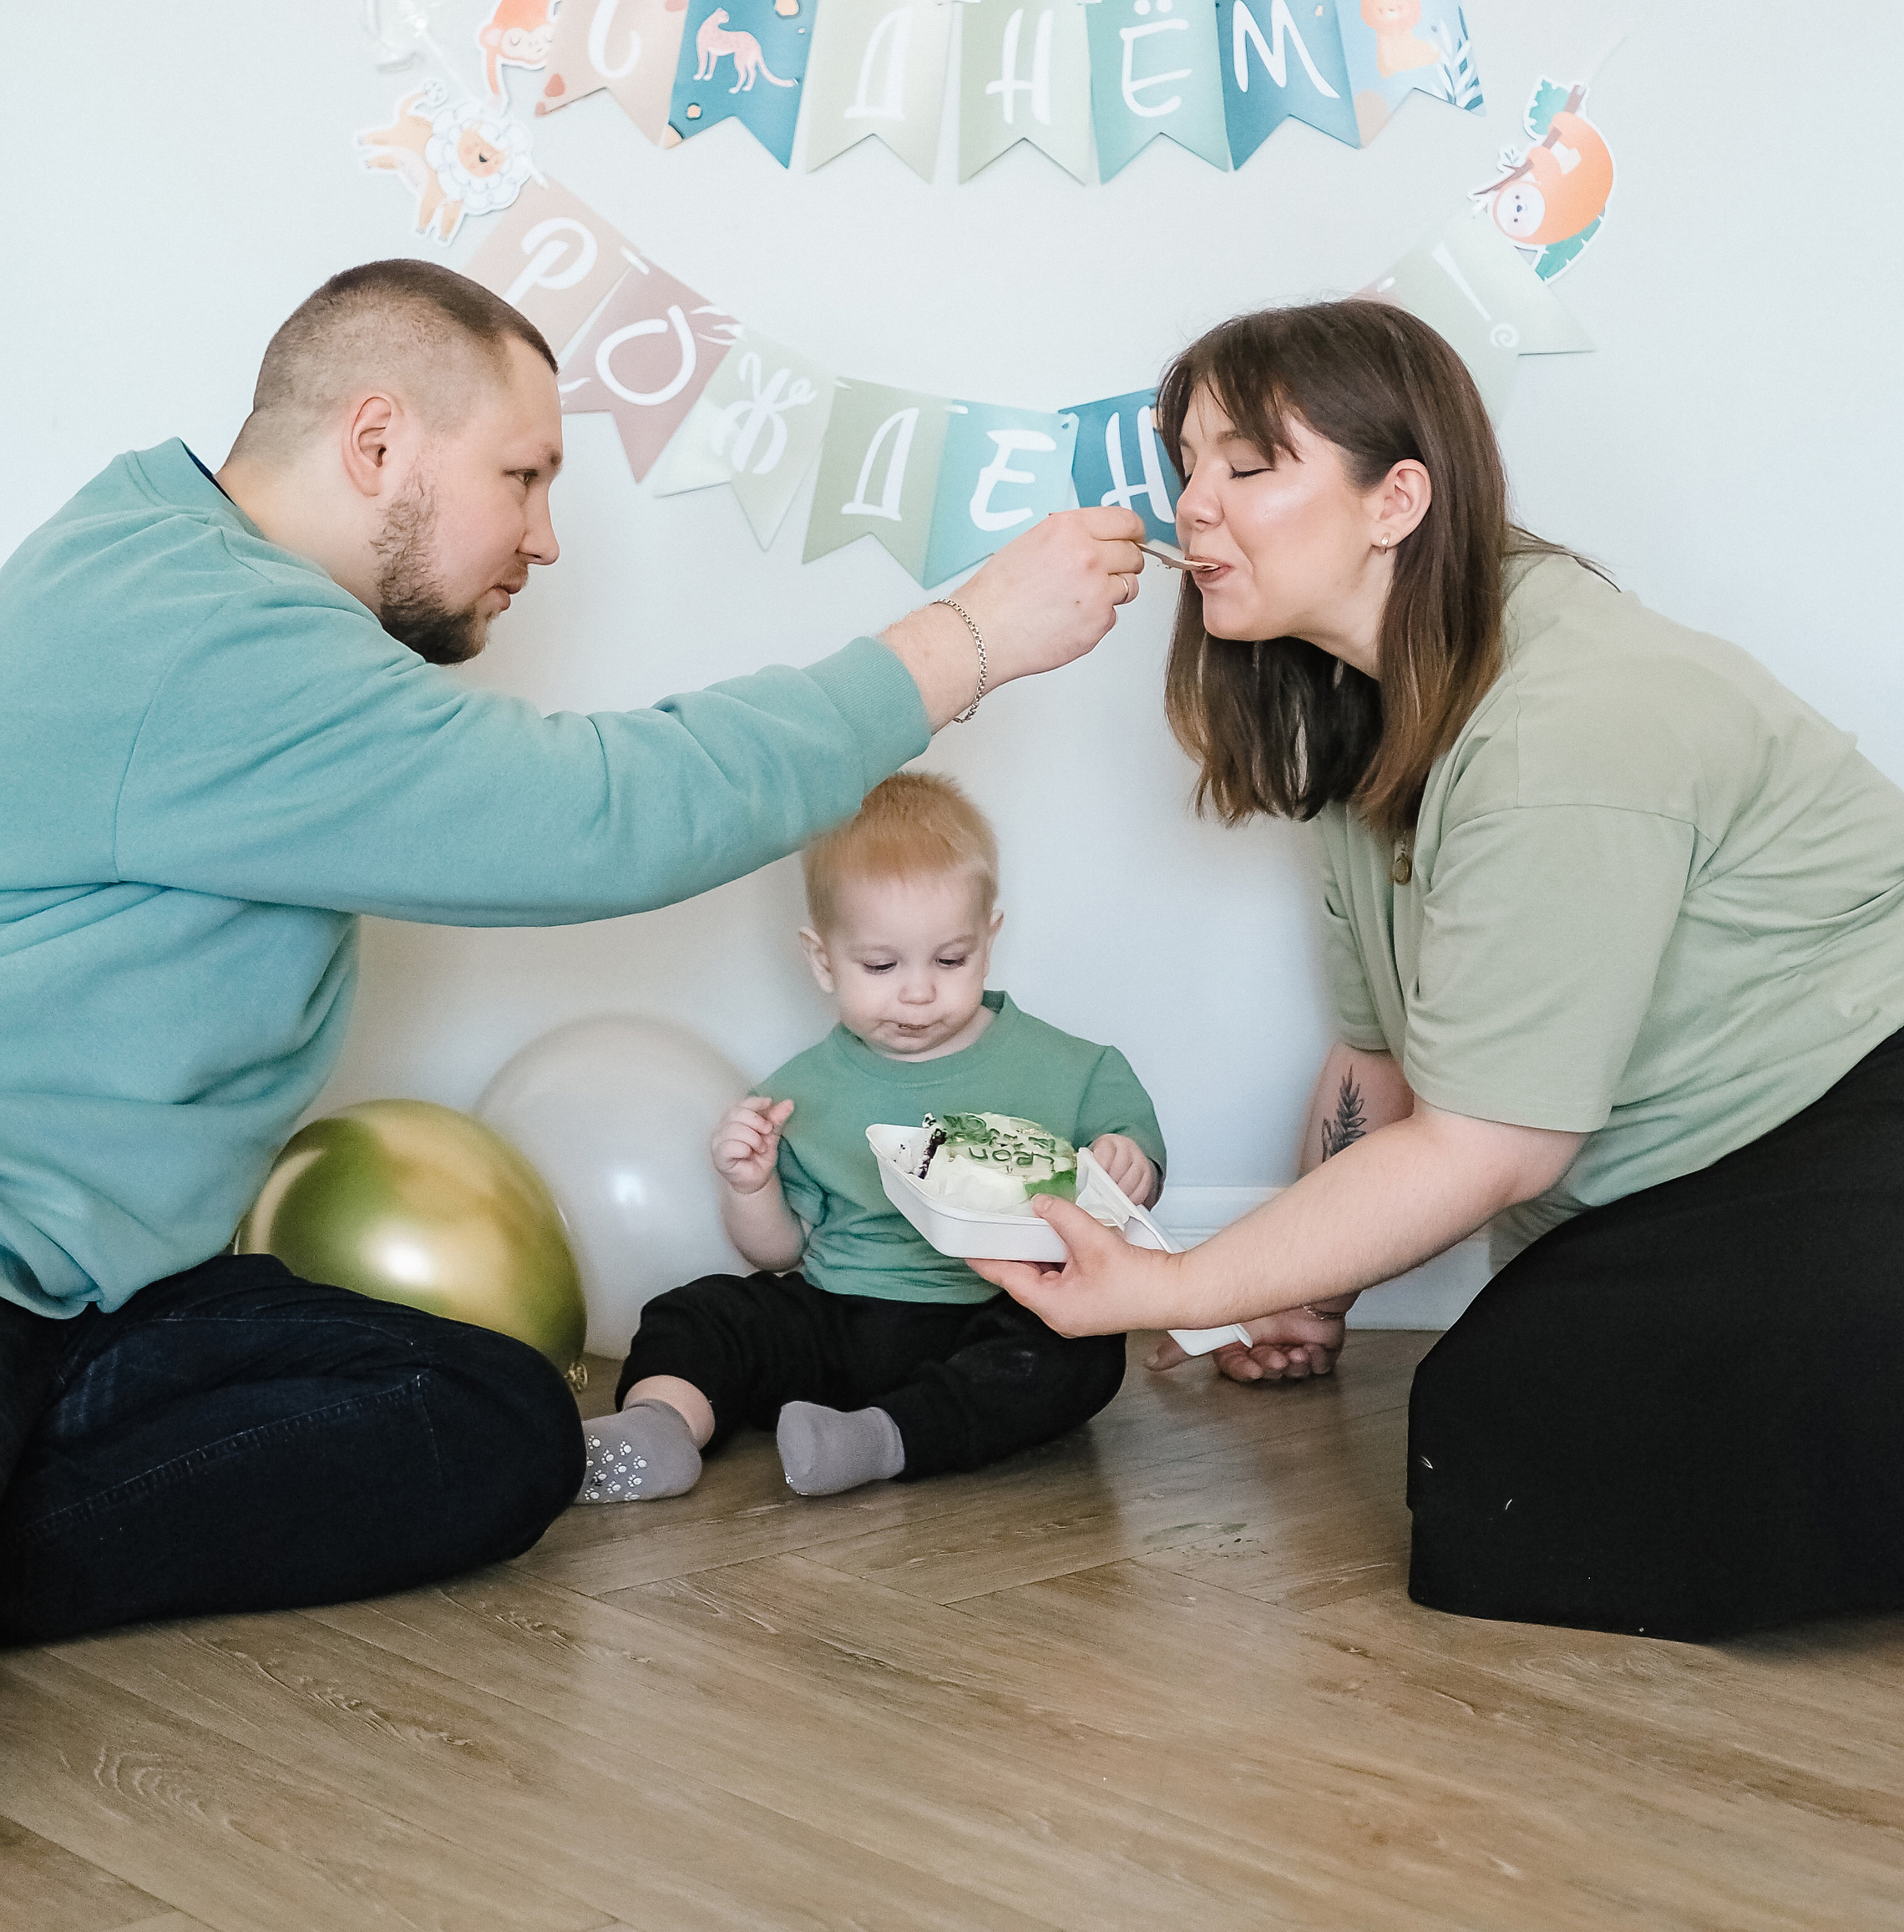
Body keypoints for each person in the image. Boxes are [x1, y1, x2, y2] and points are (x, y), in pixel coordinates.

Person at [0, 259, 1145, 1645]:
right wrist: (964, 641)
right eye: (524, 474)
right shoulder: (199, 631)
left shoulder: (158, 551)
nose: (545, 538)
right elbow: (598, 815)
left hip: (91, 1290)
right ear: (377, 442)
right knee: (469, 1430)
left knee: (493, 1415)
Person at [974, 297, 1904, 1641]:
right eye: (1186, 466)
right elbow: (1384, 1065)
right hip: (1775, 1167)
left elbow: (1488, 1148)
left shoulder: (1554, 729)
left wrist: (1174, 1285)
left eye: (1248, 465)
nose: (1195, 509)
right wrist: (1307, 1287)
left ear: (1397, 497)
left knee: (1554, 1407)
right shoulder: (1368, 732)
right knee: (1516, 1394)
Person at [580, 771, 1164, 1506]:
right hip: (839, 1315)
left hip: (989, 1318)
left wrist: (1126, 1163)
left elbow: (1133, 1173)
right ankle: (660, 1426)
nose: (917, 992)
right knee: (700, 1310)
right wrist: (751, 1184)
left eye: (949, 960)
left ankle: (878, 1440)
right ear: (823, 958)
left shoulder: (1075, 1069)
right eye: (881, 965)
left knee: (1078, 1350)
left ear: (989, 938)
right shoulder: (800, 1092)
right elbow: (779, 1251)